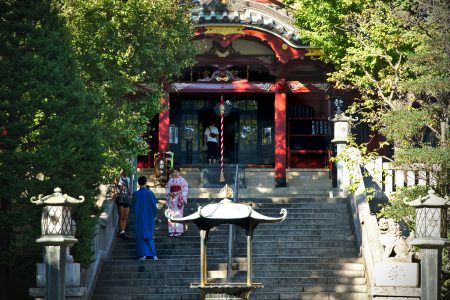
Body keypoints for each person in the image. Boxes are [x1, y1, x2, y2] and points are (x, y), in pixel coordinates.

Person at [132, 176, 158, 260]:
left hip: (139, 217)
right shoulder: (150, 193)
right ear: (146, 182)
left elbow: (133, 206)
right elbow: (154, 206)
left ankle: (142, 254)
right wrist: (154, 215)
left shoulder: (135, 194)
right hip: (149, 216)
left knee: (140, 235)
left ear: (138, 183)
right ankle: (153, 254)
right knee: (150, 235)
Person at [165, 166, 189, 237]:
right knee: (171, 214)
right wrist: (169, 193)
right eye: (174, 172)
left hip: (179, 198)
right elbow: (167, 188)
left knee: (179, 214)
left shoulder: (182, 180)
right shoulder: (170, 180)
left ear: (179, 172)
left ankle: (178, 231)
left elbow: (185, 189)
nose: (175, 173)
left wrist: (181, 194)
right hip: (172, 198)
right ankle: (172, 230)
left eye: (177, 172)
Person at [113, 170, 132, 239]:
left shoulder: (128, 179)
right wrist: (114, 193)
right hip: (120, 197)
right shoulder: (118, 178)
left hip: (126, 198)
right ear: (122, 171)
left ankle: (122, 231)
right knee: (121, 215)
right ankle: (121, 231)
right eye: (125, 171)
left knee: (126, 216)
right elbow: (114, 185)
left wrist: (129, 193)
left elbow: (128, 188)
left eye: (127, 171)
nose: (126, 172)